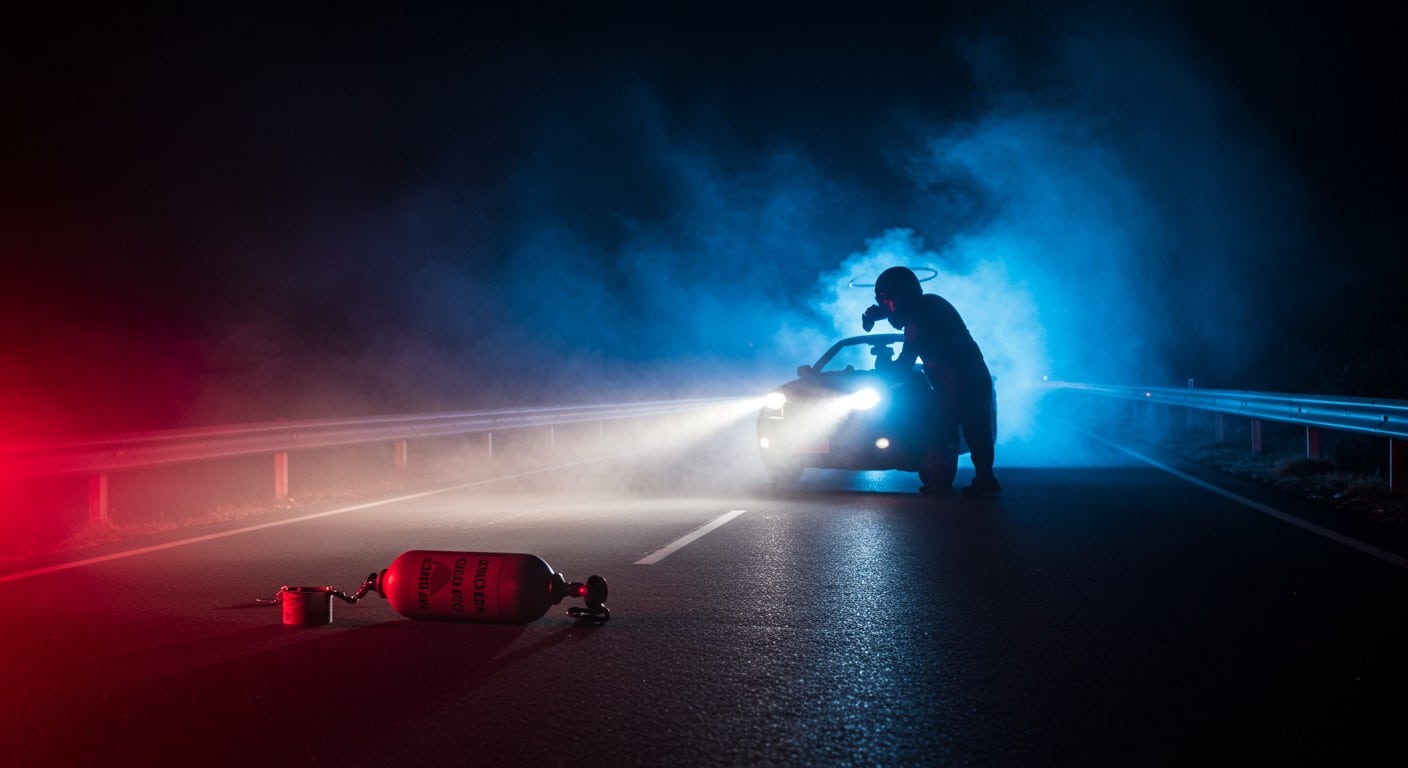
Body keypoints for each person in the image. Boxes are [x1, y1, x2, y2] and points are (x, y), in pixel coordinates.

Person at [862, 266, 1000, 496]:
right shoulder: (931, 306)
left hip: (954, 382)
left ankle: (940, 480)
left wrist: (885, 363)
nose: (888, 307)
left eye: (889, 301)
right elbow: (902, 318)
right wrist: (885, 314)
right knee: (975, 429)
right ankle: (983, 478)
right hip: (969, 377)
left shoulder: (919, 318)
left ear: (904, 294)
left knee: (939, 431)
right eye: (884, 302)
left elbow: (904, 364)